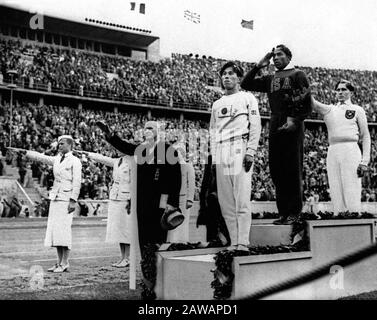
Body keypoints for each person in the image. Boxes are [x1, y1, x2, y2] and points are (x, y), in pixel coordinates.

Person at [96, 120, 181, 299]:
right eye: (145, 128)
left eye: (150, 128)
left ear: (158, 132)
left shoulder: (168, 150)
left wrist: (171, 203)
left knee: (158, 241)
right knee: (143, 243)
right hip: (142, 204)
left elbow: (175, 179)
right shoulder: (141, 150)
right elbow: (124, 146)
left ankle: (160, 279)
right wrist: (110, 134)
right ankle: (149, 280)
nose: (146, 131)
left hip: (160, 204)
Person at [241, 45, 312, 225]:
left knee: (292, 168)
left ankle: (294, 212)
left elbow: (306, 102)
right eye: (273, 56)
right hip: (275, 121)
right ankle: (283, 212)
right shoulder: (271, 77)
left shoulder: (298, 74)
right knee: (277, 169)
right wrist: (259, 65)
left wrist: (294, 120)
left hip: (292, 122)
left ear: (289, 57)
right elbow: (245, 84)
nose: (275, 58)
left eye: (279, 55)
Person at [8, 135, 82, 273]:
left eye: (62, 144)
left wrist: (73, 200)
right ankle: (59, 262)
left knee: (64, 231)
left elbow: (77, 182)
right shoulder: (57, 159)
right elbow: (41, 157)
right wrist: (24, 152)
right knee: (56, 231)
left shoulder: (75, 161)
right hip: (56, 197)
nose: (59, 146)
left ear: (70, 145)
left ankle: (65, 262)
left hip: (66, 199)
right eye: (59, 144)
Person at [210, 61, 261, 250]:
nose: (226, 77)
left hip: (240, 145)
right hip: (222, 148)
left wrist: (251, 151)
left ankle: (243, 241)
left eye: (231, 74)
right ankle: (233, 241)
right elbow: (213, 132)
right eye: (224, 74)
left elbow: (255, 126)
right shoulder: (217, 104)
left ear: (238, 78)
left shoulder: (247, 98)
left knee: (241, 197)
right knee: (226, 200)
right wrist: (215, 159)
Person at [311, 80, 371, 215]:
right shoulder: (330, 109)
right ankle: (338, 216)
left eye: (344, 90)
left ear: (351, 92)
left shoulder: (357, 110)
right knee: (335, 187)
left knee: (351, 187)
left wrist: (365, 161)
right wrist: (307, 90)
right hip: (333, 149)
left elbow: (366, 135)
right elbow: (313, 104)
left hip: (350, 148)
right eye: (338, 90)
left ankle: (354, 216)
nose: (340, 92)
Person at [75, 149, 131, 267]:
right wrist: (87, 154)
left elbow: (134, 182)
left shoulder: (132, 162)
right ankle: (122, 257)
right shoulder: (117, 161)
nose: (118, 150)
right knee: (119, 229)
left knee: (126, 229)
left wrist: (131, 199)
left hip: (126, 198)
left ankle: (127, 258)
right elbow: (102, 159)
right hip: (115, 196)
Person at [167, 143, 195, 243]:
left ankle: (182, 241)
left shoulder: (188, 166)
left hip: (183, 198)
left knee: (183, 220)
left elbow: (191, 184)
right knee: (171, 219)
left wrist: (190, 199)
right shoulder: (171, 168)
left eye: (178, 152)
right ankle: (172, 241)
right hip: (173, 199)